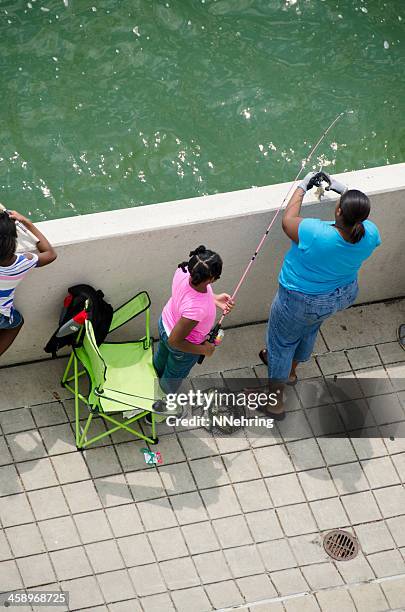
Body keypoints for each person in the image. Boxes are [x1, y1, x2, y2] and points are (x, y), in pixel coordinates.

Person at [257, 171, 381, 420]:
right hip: (339, 296)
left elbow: (287, 220)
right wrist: (343, 190)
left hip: (301, 300)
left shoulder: (316, 233)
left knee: (281, 345)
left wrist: (303, 186)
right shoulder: (370, 233)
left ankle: (275, 404)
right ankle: (291, 373)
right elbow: (357, 217)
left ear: (338, 211)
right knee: (309, 329)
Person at [153, 245, 233, 395]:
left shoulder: (182, 271)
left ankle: (153, 379)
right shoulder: (197, 309)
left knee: (161, 358)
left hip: (164, 324)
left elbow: (190, 295)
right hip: (182, 348)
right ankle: (160, 403)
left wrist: (214, 299)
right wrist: (205, 350)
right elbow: (174, 341)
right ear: (210, 279)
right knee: (173, 376)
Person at [0, 209, 57, 357]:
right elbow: (50, 254)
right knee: (16, 323)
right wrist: (27, 222)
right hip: (1, 316)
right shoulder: (23, 261)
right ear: (13, 239)